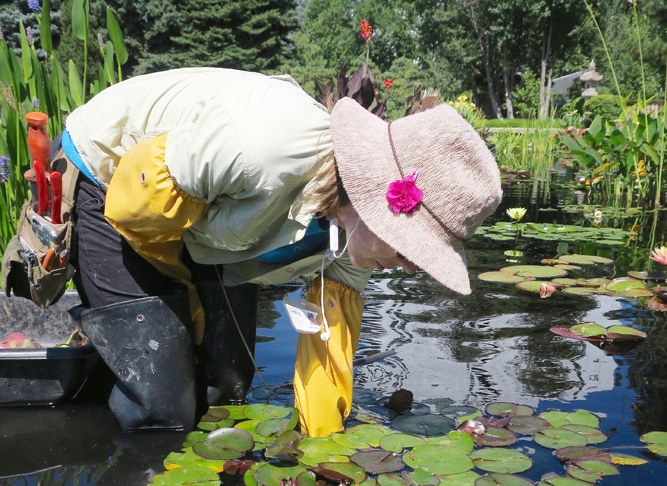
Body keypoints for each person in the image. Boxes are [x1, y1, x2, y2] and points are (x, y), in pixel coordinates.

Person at [57, 67, 501, 435]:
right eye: (411, 251)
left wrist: (325, 453)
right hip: (117, 182)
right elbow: (137, 207)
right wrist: (183, 307)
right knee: (162, 404)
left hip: (211, 221)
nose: (407, 269)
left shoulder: (361, 242)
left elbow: (328, 347)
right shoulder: (262, 148)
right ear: (378, 201)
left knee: (229, 382)